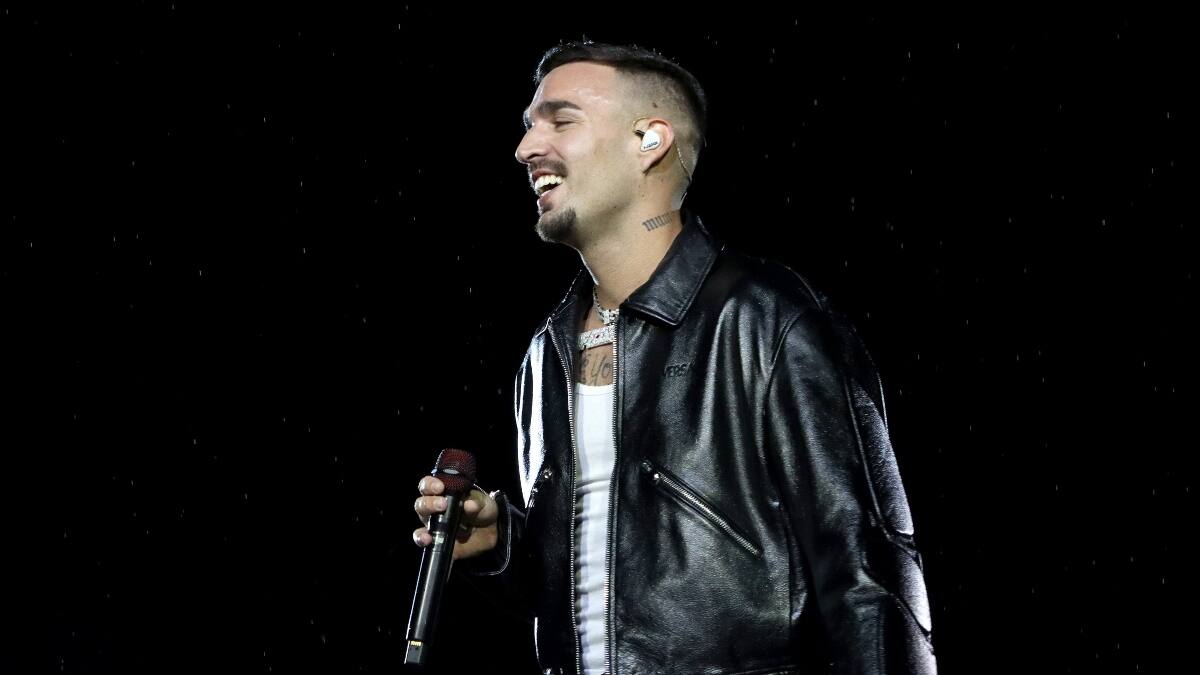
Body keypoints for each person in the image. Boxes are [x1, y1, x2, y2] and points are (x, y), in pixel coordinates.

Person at [413, 41, 936, 674]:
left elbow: (871, 580)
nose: (526, 148)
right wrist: (505, 543)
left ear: (650, 141)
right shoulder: (545, 354)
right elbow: (610, 590)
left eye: (560, 120)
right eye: (528, 126)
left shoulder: (770, 321)